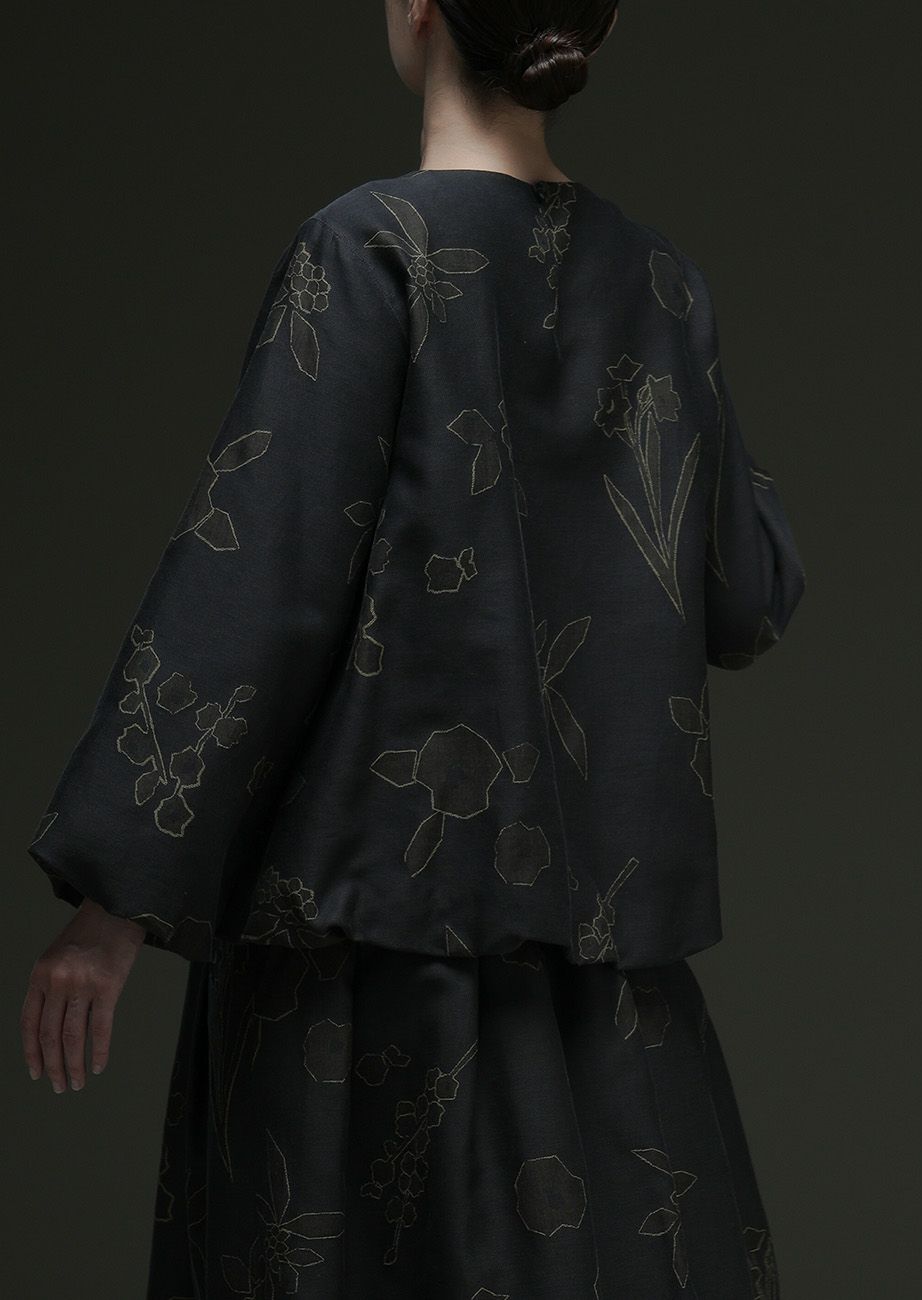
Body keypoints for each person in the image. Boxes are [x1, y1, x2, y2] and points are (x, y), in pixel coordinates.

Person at [21, 1, 806, 1295]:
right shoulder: (663, 281)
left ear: (417, 10)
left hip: (362, 974)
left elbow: (258, 585)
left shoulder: (369, 247)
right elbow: (750, 598)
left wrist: (111, 909)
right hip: (603, 989)